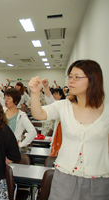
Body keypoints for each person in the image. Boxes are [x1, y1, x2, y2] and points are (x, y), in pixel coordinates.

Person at [28, 60, 109, 200]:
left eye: (77, 77)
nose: (71, 81)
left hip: (98, 178)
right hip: (65, 176)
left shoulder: (106, 111)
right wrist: (35, 94)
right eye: (70, 76)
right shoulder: (64, 106)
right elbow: (39, 114)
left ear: (93, 79)